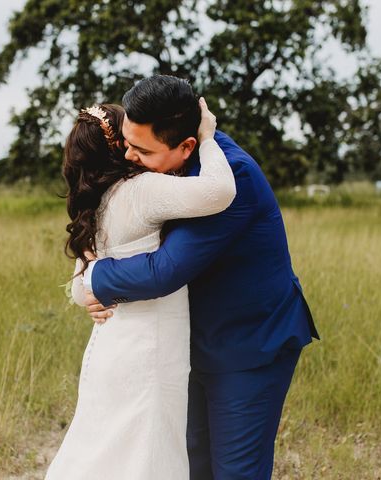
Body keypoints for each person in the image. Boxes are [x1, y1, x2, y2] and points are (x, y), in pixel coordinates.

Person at [81, 75, 320, 479]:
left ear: (186, 145)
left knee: (234, 471)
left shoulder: (231, 179)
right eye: (126, 141)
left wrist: (96, 280)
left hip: (249, 343)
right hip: (195, 340)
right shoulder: (170, 164)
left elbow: (166, 269)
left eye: (141, 149)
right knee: (191, 464)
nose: (129, 156)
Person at [44, 95, 236, 479]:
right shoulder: (142, 190)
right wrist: (208, 137)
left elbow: (82, 290)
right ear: (120, 147)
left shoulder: (94, 204)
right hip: (152, 345)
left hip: (109, 346)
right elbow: (219, 192)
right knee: (148, 452)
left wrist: (93, 291)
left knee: (102, 447)